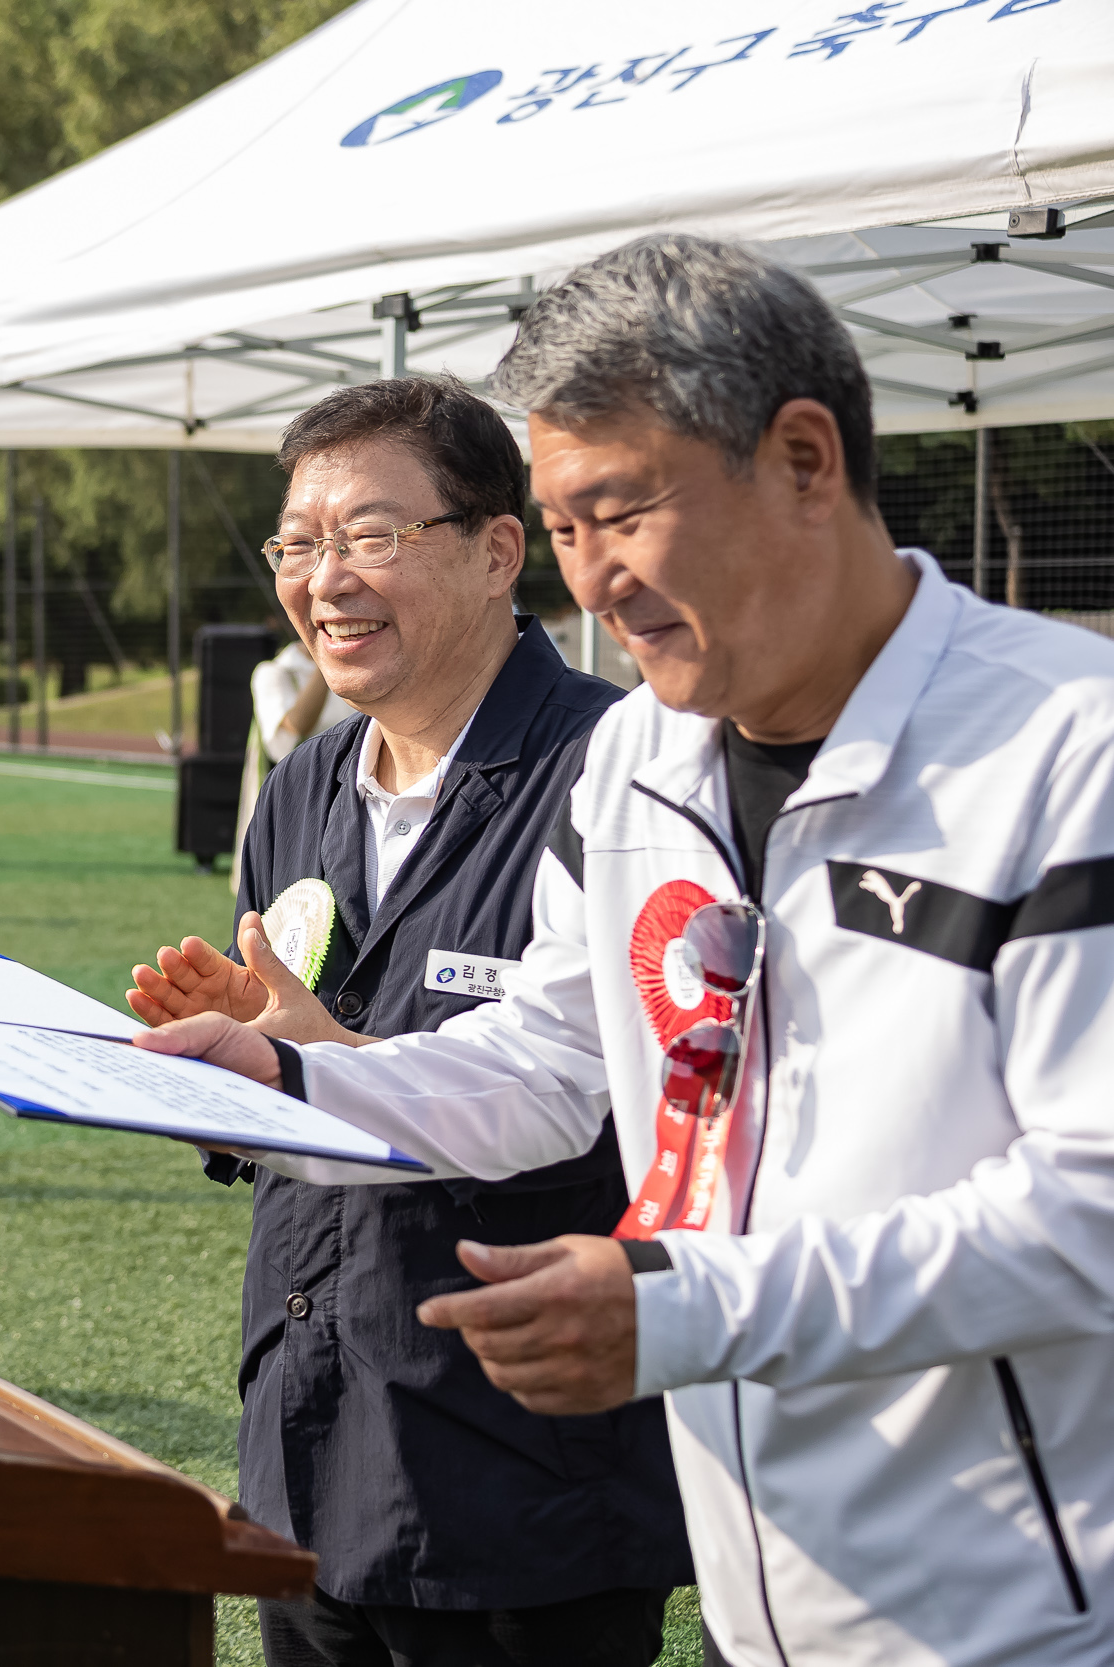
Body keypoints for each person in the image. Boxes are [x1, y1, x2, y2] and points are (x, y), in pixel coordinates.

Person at [136, 233, 1114, 1666]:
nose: (590, 579)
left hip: (1028, 1612)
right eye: (566, 522)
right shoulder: (643, 762)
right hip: (755, 1601)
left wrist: (692, 1305)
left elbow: (1089, 1213)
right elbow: (553, 1057)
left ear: (802, 459)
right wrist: (286, 1076)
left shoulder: (1067, 747)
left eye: (621, 511)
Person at [129, 377, 687, 1667]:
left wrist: (295, 1060)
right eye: (299, 543)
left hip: (520, 1477)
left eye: (371, 535)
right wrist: (232, 1049)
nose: (327, 579)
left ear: (498, 551)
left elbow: (578, 1090)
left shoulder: (621, 772)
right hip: (304, 1437)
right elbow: (291, 1054)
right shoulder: (307, 779)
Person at [232, 617, 354, 890]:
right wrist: (328, 663)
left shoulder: (359, 667)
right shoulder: (274, 672)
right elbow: (292, 731)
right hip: (301, 810)